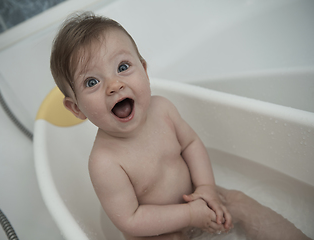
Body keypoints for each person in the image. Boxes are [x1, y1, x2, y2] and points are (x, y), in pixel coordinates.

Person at [50, 12, 310, 240]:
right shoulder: (104, 162)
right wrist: (188, 215)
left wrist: (206, 189)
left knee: (238, 201)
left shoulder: (162, 109)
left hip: (197, 199)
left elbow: (191, 144)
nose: (114, 85)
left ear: (144, 70)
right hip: (154, 232)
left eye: (123, 67)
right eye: (92, 82)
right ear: (76, 109)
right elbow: (130, 219)